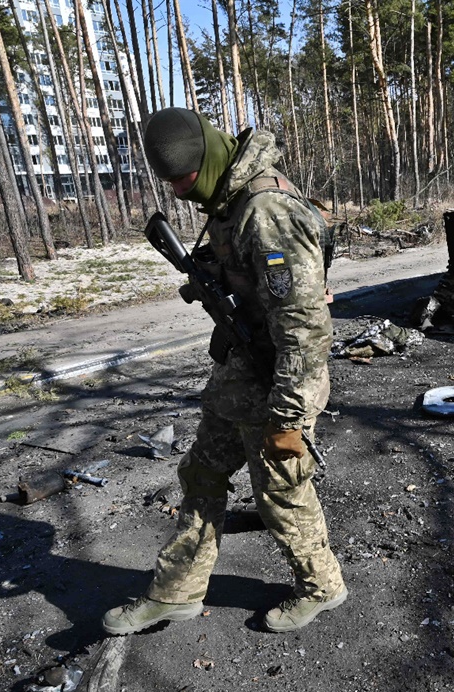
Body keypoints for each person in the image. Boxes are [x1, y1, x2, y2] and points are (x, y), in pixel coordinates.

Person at [103, 108, 346, 635]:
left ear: (207, 159)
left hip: (280, 378)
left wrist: (289, 418)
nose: (176, 192)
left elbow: (305, 327)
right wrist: (210, 275)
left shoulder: (266, 209)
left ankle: (322, 586)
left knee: (281, 491)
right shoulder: (228, 199)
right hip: (240, 370)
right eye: (166, 182)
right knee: (202, 475)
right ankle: (176, 593)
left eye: (181, 179)